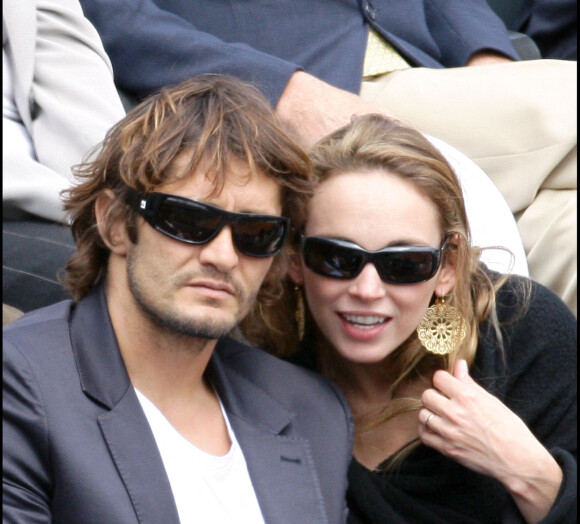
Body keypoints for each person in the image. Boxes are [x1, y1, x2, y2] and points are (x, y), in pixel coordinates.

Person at [3, 74, 372, 524]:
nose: (222, 256)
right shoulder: (23, 384)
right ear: (115, 223)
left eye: (256, 233)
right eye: (188, 221)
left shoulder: (309, 410)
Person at [78, 0, 577, 314]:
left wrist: (485, 59)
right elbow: (113, 14)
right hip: (312, 92)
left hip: (443, 75)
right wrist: (285, 92)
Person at [243, 114, 577, 524]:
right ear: (296, 259)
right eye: (337, 258)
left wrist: (528, 472)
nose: (366, 288)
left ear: (447, 266)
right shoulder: (261, 374)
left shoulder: (526, 334)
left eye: (404, 264)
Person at [3, 0, 126, 312]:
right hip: (31, 207)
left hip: (69, 199)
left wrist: (125, 205)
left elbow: (65, 54)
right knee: (132, 291)